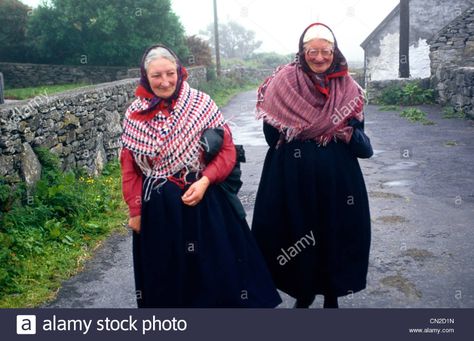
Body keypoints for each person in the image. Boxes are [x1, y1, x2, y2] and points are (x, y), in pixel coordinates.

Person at [120, 44, 281, 308]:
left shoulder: (200, 104)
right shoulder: (134, 115)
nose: (165, 81)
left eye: (170, 73)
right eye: (156, 76)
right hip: (159, 209)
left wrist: (206, 180)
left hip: (204, 201)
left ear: (179, 71)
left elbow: (227, 151)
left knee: (217, 272)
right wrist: (136, 211)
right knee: (167, 276)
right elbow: (130, 167)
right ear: (145, 78)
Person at [252, 23, 373, 309]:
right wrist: (286, 116)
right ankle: (303, 293)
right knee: (295, 236)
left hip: (338, 182)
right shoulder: (282, 83)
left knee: (334, 235)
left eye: (325, 52)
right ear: (302, 52)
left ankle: (331, 294)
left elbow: (360, 135)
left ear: (335, 52)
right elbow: (272, 138)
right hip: (290, 180)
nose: (319, 57)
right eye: (312, 52)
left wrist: (343, 131)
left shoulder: (349, 88)